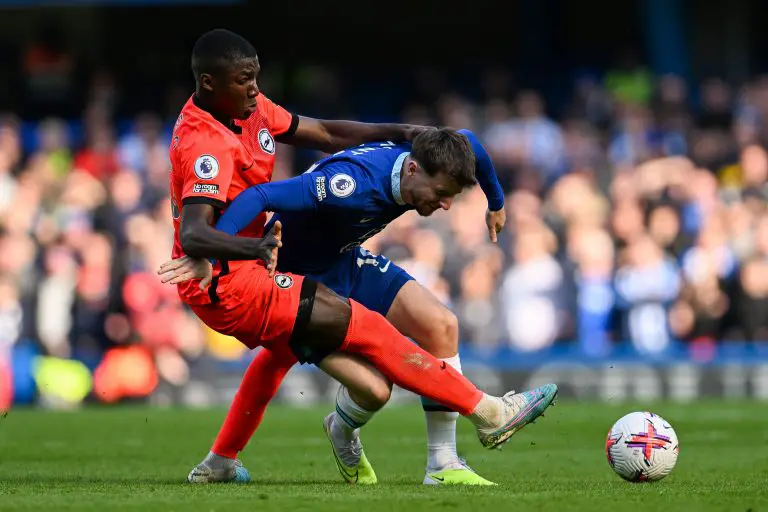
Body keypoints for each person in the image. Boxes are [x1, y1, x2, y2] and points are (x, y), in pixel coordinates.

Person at [168, 27, 558, 486]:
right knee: (360, 374)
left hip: (337, 258)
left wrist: (494, 200)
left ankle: (443, 465)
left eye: (256, 77)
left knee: (439, 325)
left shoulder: (251, 110)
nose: (446, 205)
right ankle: (489, 412)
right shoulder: (340, 183)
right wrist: (240, 249)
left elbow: (338, 131)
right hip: (271, 266)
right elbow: (249, 201)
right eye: (244, 79)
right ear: (211, 82)